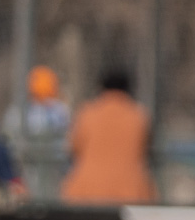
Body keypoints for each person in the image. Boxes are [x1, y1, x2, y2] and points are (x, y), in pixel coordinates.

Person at [62, 70, 156, 203]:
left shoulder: (87, 113)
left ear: (101, 88)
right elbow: (145, 149)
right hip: (131, 192)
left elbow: (74, 148)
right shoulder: (139, 116)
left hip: (85, 192)